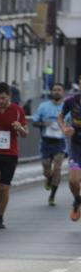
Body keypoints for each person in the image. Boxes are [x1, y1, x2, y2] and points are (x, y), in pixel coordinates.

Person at [0, 82, 28, 229]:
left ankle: (0, 216)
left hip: (10, 154)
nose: (0, 101)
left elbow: (25, 133)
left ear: (9, 96)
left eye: (3, 98)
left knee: (4, 188)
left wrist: (19, 128)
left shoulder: (18, 110)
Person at [32, 83, 67, 207]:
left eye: (59, 90)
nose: (57, 92)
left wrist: (67, 127)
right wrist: (43, 124)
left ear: (63, 92)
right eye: (54, 90)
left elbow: (73, 122)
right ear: (51, 92)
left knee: (57, 168)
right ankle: (48, 178)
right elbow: (34, 121)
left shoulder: (66, 107)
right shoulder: (44, 106)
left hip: (60, 143)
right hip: (46, 142)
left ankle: (52, 196)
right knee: (47, 169)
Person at [57, 83, 81, 220]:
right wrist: (64, 128)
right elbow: (60, 117)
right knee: (73, 180)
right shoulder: (71, 101)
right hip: (76, 146)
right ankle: (77, 200)